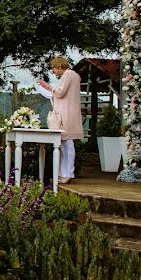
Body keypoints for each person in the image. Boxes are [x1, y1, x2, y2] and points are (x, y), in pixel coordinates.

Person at [38, 56, 83, 184]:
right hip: (69, 111)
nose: (54, 71)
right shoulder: (74, 75)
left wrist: (47, 86)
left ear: (59, 67)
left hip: (67, 113)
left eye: (54, 68)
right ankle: (64, 173)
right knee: (63, 143)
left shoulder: (68, 74)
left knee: (67, 143)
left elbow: (60, 92)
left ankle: (68, 173)